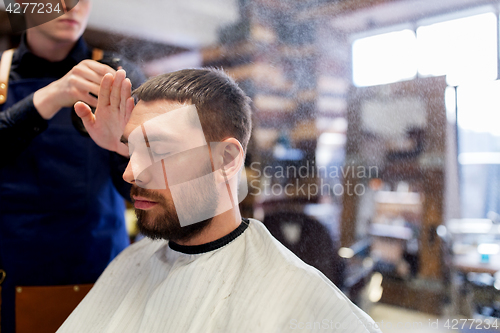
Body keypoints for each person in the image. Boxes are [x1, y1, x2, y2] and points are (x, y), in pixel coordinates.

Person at [57, 68, 382, 333]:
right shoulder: (131, 262)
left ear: (227, 160)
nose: (130, 173)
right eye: (132, 149)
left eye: (159, 150)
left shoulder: (297, 297)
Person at [0, 1, 145, 332]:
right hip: (11, 276)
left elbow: (138, 190)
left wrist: (125, 147)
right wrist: (52, 96)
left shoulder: (119, 75)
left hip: (101, 274)